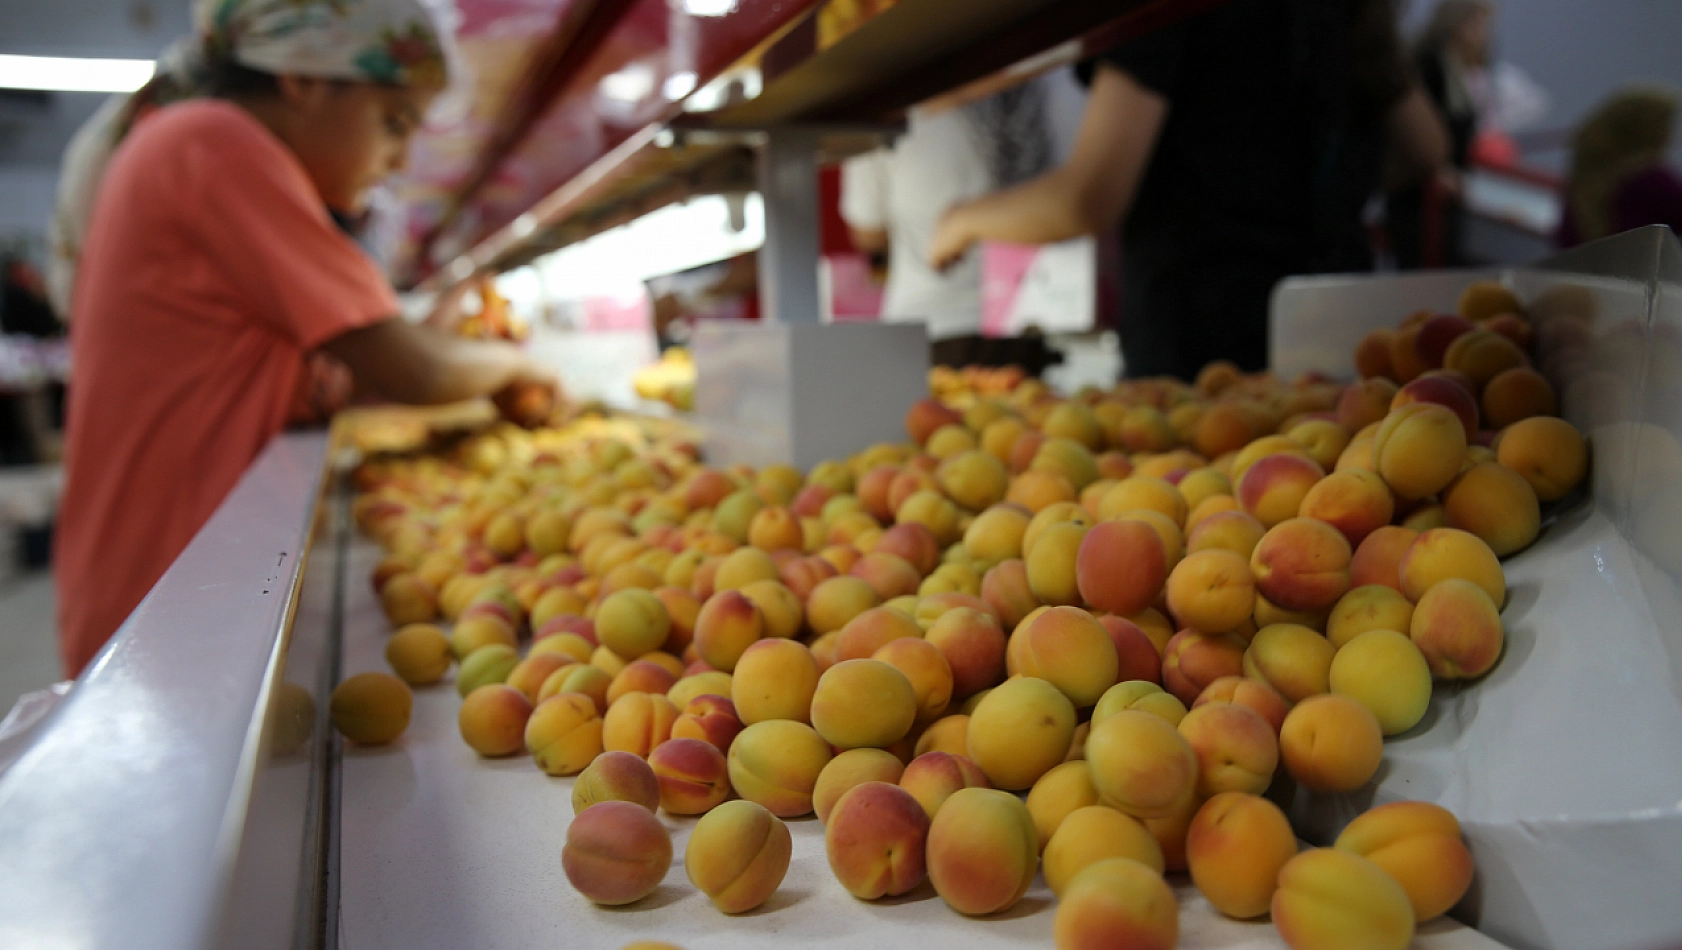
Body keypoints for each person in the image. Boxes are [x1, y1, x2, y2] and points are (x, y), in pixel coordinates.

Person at [54, 0, 556, 677]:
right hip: (164, 594)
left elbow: (300, 371)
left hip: (180, 576)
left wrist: (429, 342)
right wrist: (516, 365)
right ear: (306, 79)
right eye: (394, 122)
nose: (399, 159)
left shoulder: (193, 144)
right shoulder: (213, 143)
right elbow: (417, 373)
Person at [929, 0, 1448, 381]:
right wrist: (1309, 190)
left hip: (1205, 346)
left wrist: (963, 220)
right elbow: (1425, 148)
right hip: (1335, 329)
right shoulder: (1348, 13)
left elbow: (1090, 196)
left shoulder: (1164, 14)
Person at [841, 71, 1084, 372]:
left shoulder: (888, 94)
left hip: (934, 325)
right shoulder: (1064, 74)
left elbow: (867, 230)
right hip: (1051, 319)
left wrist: (960, 222)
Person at [1386, 0, 1490, 268]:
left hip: (1447, 197)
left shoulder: (1462, 69)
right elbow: (1414, 136)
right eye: (1478, 21)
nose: (1484, 31)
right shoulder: (1429, 61)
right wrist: (1438, 171)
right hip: (1419, 198)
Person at [1556, 87, 1682, 248]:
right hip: (1631, 269)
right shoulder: (1653, 181)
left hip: (1570, 268)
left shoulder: (1589, 170)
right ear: (1651, 129)